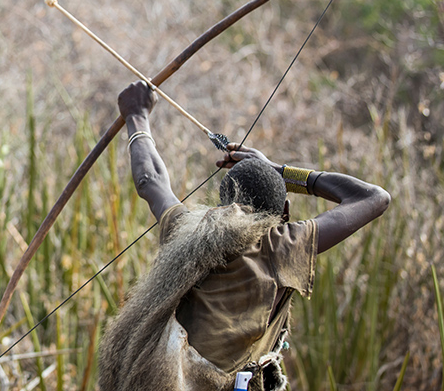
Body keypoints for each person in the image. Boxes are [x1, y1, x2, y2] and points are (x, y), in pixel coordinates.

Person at [98, 82, 390, 391]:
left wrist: (137, 114)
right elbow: (374, 198)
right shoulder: (282, 245)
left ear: (224, 204)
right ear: (284, 214)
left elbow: (150, 180)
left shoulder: (191, 228)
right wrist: (281, 171)